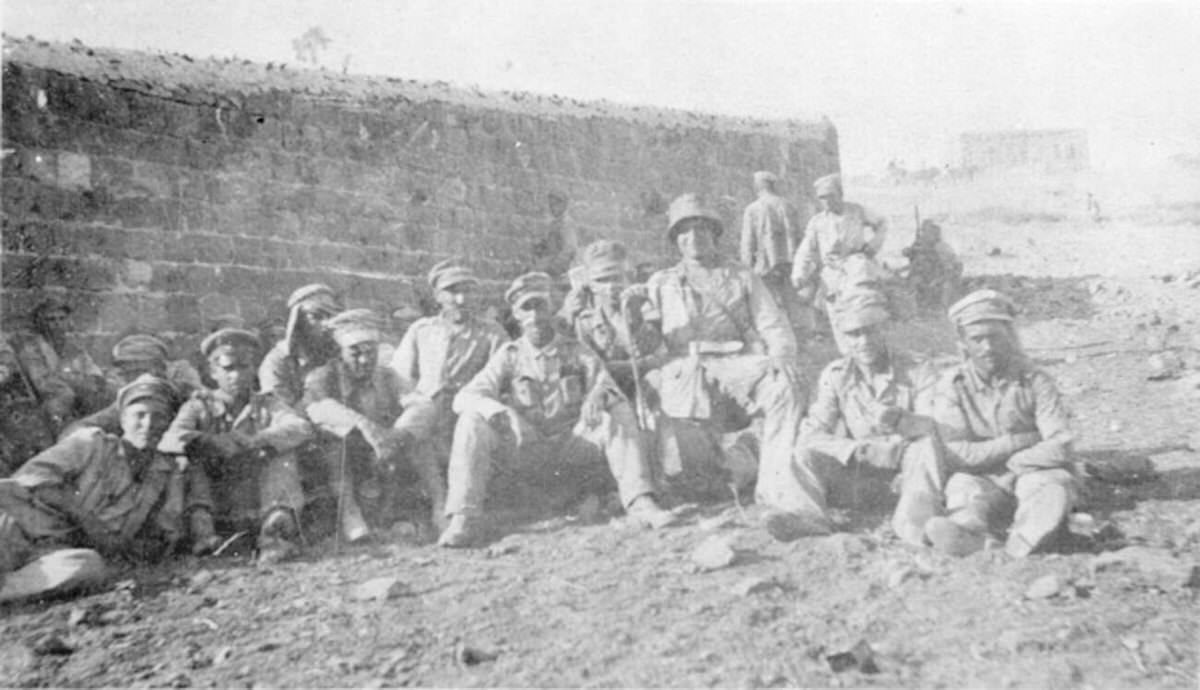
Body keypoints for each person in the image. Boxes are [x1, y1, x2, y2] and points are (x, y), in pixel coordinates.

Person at [438, 271, 674, 547]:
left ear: (552, 309)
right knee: (471, 421)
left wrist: (598, 396)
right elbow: (465, 397)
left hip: (572, 447)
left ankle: (640, 502)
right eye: (526, 308)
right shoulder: (510, 355)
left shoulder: (578, 351)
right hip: (527, 449)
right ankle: (463, 518)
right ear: (515, 314)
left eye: (540, 306)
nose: (535, 316)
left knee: (618, 410)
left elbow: (609, 387)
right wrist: (502, 412)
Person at [642, 193, 807, 508]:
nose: (694, 238)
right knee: (694, 474)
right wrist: (641, 324)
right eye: (685, 231)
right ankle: (742, 461)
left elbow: (773, 323)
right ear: (676, 240)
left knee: (786, 384)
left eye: (702, 229)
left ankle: (776, 486)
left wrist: (782, 357)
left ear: (714, 233)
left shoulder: (741, 275)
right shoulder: (661, 283)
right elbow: (648, 342)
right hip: (684, 370)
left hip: (737, 365)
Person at [755, 289, 946, 544]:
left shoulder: (918, 369)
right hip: (861, 478)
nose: (864, 342)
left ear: (885, 330)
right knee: (801, 451)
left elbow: (932, 426)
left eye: (870, 331)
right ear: (843, 338)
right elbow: (813, 433)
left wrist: (900, 424)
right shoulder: (836, 375)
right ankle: (810, 518)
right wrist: (856, 450)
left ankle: (914, 525)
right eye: (854, 334)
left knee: (925, 446)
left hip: (907, 478)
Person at [0, 375, 183, 603]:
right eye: (140, 415)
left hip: (55, 551)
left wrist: (128, 545)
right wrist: (88, 522)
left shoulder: (165, 473)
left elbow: (165, 533)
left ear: (169, 423)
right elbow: (33, 476)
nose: (148, 425)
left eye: (159, 417)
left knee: (88, 567)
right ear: (123, 419)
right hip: (22, 527)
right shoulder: (91, 443)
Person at [925, 290, 1076, 558]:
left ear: (1008, 335)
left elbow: (1062, 444)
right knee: (963, 491)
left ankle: (1026, 539)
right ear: (963, 343)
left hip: (1031, 471)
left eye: (994, 336)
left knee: (1050, 487)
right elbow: (957, 453)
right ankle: (973, 539)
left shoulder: (1035, 380)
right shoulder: (951, 385)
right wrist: (1020, 442)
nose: (987, 347)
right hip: (981, 477)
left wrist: (1016, 464)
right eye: (977, 339)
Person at [158, 329, 312, 563]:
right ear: (213, 372)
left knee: (283, 455)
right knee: (189, 457)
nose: (237, 376)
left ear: (254, 369)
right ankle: (203, 534)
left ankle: (275, 533)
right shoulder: (200, 405)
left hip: (258, 498)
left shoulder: (267, 403)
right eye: (228, 369)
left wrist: (258, 440)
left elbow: (300, 426)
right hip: (216, 501)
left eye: (244, 367)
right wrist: (210, 441)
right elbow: (170, 439)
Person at [387, 259, 507, 530]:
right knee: (420, 429)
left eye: (468, 291)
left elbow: (503, 375)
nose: (461, 299)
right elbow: (400, 375)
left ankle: (456, 506)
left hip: (465, 407)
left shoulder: (492, 333)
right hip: (427, 407)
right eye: (452, 292)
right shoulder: (422, 330)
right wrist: (412, 400)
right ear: (438, 296)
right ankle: (439, 502)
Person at [303, 309, 406, 544]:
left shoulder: (388, 376)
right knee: (334, 442)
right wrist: (365, 426)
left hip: (378, 450)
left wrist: (399, 433)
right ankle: (349, 514)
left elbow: (419, 403)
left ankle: (431, 508)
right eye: (355, 353)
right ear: (339, 354)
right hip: (329, 458)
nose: (364, 360)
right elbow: (321, 410)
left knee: (419, 440)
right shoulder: (321, 377)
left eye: (371, 352)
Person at [791, 174, 888, 334]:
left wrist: (874, 244)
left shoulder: (856, 211)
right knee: (835, 312)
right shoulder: (817, 221)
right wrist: (798, 273)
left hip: (857, 268)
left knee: (861, 310)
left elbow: (882, 223)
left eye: (831, 196)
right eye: (822, 198)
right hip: (832, 272)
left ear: (840, 194)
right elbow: (805, 249)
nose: (827, 201)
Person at [59, 334, 199, 440]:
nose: (126, 378)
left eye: (133, 371)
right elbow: (78, 429)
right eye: (125, 372)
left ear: (158, 367)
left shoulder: (186, 389)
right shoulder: (132, 394)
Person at [10, 296, 110, 430]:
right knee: (63, 397)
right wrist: (77, 380)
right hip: (49, 405)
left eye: (61, 318)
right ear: (41, 323)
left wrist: (76, 380)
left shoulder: (74, 348)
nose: (57, 323)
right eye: (51, 319)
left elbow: (95, 376)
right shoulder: (31, 350)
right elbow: (44, 383)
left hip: (79, 400)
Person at [740, 171, 810, 334]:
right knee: (792, 303)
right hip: (790, 264)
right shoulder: (788, 205)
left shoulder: (753, 209)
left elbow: (748, 242)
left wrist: (746, 268)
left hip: (765, 266)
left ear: (758, 186)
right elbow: (799, 236)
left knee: (769, 305)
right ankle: (799, 337)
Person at [259, 284, 342, 408]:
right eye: (316, 317)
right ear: (298, 320)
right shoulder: (276, 362)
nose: (326, 324)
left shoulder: (338, 356)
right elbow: (280, 409)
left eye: (330, 317)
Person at [903, 220, 963, 312]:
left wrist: (936, 281)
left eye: (926, 232)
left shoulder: (942, 248)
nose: (923, 235)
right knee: (914, 281)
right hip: (929, 275)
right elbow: (915, 262)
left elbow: (950, 271)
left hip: (946, 277)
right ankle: (913, 308)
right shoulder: (920, 244)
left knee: (946, 286)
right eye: (922, 232)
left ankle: (943, 308)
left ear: (934, 234)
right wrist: (910, 251)